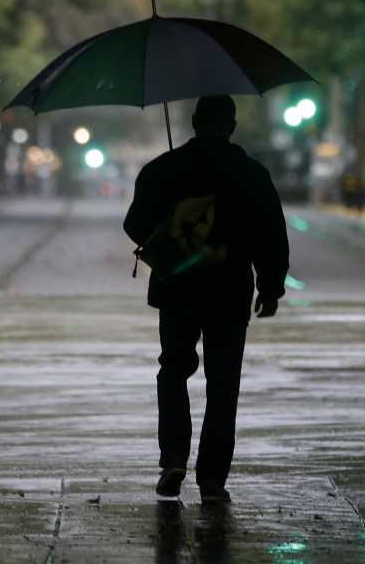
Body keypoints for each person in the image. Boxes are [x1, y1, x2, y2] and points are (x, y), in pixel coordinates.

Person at [124, 95, 290, 503]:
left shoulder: (163, 169)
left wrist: (170, 234)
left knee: (173, 369)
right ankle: (213, 477)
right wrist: (270, 287)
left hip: (177, 285)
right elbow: (272, 235)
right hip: (229, 290)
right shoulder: (251, 174)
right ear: (232, 126)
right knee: (223, 382)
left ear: (195, 122)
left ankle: (174, 458)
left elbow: (134, 223)